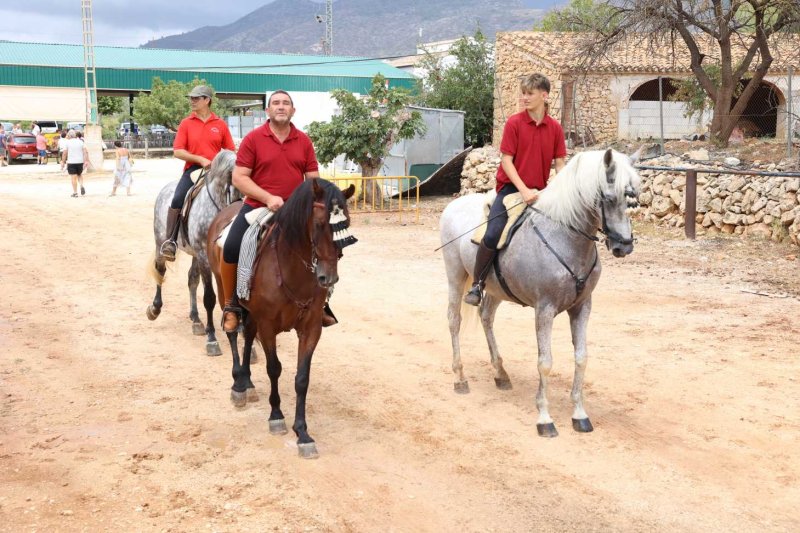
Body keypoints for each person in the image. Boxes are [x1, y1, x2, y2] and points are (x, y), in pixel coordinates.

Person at [221, 89, 332, 332]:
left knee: (324, 246)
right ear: (267, 111)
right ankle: (232, 306)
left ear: (293, 111)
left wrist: (310, 202)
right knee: (231, 246)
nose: (281, 107)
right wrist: (268, 197)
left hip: (295, 212)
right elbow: (240, 178)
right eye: (276, 103)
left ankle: (321, 304)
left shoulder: (303, 140)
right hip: (257, 207)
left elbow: (313, 179)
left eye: (286, 103)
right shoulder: (253, 139)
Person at [463, 73, 567, 306]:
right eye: (523, 93)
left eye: (530, 93)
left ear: (544, 95)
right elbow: (507, 162)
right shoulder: (514, 123)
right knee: (492, 233)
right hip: (511, 189)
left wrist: (563, 192)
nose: (525, 97)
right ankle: (477, 285)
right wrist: (524, 190)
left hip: (541, 192)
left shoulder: (555, 128)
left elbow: (560, 164)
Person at [161, 85, 235, 261]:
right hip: (194, 170)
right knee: (178, 198)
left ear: (207, 100)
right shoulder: (186, 123)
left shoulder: (220, 124)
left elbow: (230, 150)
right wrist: (201, 159)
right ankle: (170, 240)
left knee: (238, 197)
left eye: (196, 98)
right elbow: (178, 151)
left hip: (217, 171)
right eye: (191, 98)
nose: (192, 101)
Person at [61, 130, 89, 197]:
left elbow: (64, 153)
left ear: (69, 136)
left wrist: (63, 162)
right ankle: (81, 185)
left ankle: (75, 193)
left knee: (73, 177)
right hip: (80, 162)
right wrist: (86, 161)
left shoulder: (67, 143)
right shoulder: (81, 142)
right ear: (75, 135)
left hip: (71, 162)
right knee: (79, 174)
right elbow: (85, 152)